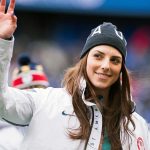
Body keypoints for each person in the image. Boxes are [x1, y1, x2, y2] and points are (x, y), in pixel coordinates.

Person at [0, 0, 149, 150]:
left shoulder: (138, 126)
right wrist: (2, 42)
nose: (105, 65)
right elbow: (3, 102)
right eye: (98, 56)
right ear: (84, 61)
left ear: (121, 69)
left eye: (115, 60)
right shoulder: (45, 102)